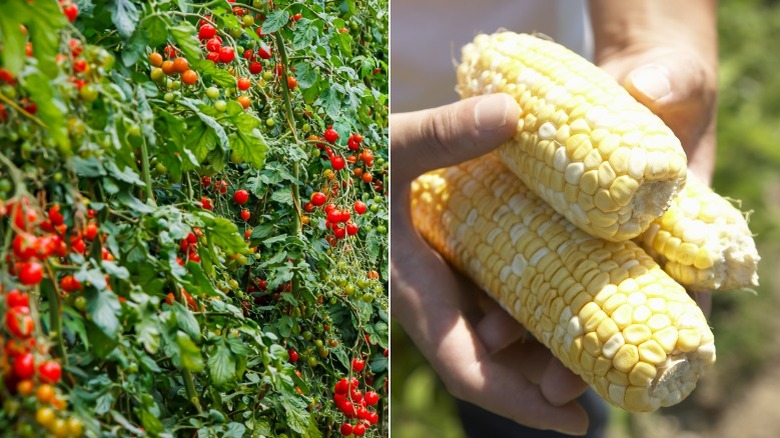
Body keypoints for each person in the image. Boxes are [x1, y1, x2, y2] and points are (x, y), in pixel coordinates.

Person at [390, 0, 717, 436]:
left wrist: (648, 38)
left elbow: (653, 24)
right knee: (509, 381)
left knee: (546, 386)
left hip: (551, 118)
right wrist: (362, 171)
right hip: (402, 176)